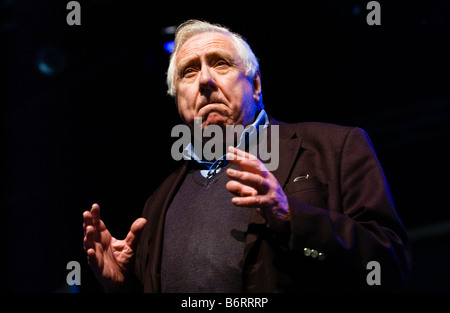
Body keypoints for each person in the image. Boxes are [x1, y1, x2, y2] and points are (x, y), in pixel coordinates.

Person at [83, 19, 412, 293]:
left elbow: (389, 264)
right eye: (188, 72)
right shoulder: (158, 202)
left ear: (255, 84)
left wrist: (291, 218)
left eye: (220, 63)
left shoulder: (334, 148)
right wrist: (123, 286)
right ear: (178, 99)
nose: (206, 80)